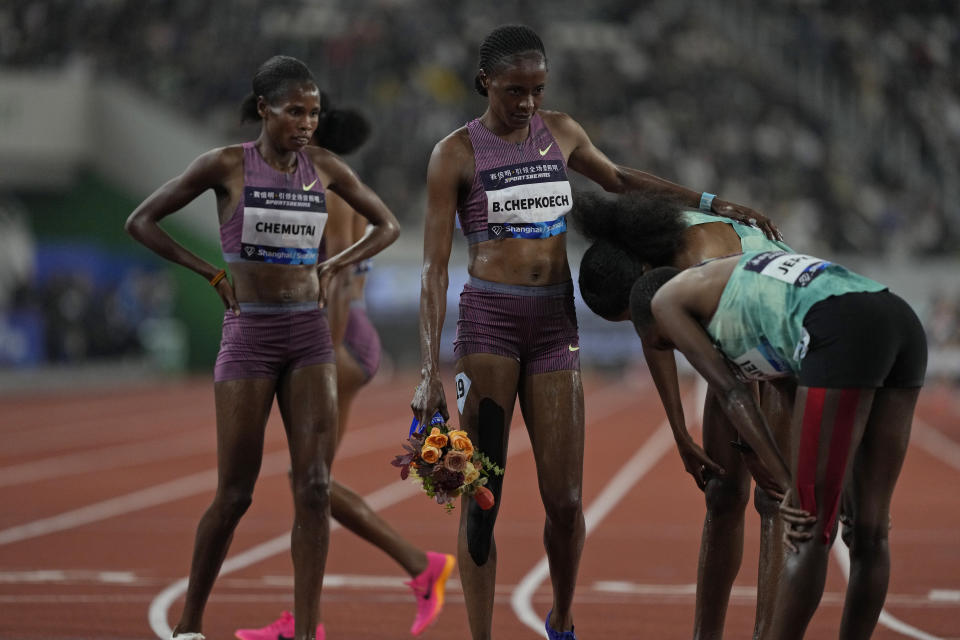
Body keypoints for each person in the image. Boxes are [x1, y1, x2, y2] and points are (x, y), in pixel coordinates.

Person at [409, 24, 772, 640]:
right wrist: (426, 373)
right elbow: (434, 267)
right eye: (514, 91)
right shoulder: (455, 155)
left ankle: (563, 621)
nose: (526, 104)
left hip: (554, 322)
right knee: (482, 500)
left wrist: (712, 202)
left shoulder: (562, 131)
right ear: (484, 83)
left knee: (568, 502)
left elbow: (621, 181)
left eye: (537, 89)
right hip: (489, 324)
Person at [125, 55, 400, 640]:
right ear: (263, 109)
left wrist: (334, 264)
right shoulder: (226, 166)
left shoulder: (323, 168)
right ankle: (190, 625)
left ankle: (304, 633)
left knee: (316, 485)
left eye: (314, 112)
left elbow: (388, 226)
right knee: (235, 494)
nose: (306, 122)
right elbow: (142, 222)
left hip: (308, 336)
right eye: (295, 111)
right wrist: (209, 273)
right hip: (249, 335)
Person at [234, 94, 454, 640]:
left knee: (310, 482)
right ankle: (310, 615)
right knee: (310, 483)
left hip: (340, 342)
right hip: (345, 337)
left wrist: (321, 363)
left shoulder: (324, 190)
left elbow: (330, 283)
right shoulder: (328, 182)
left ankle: (415, 569)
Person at [629, 250, 926, 639]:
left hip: (841, 327)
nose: (677, 350)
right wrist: (802, 479)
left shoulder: (667, 301)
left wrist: (789, 486)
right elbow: (788, 386)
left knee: (807, 529)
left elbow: (734, 395)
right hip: (898, 319)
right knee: (868, 531)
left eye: (666, 345)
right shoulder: (741, 297)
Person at [572, 190, 795, 639]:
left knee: (774, 497)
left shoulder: (700, 262)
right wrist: (679, 431)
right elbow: (653, 332)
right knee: (722, 494)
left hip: (782, 329)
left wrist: (754, 445)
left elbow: (737, 376)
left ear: (646, 275)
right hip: (738, 331)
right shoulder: (648, 259)